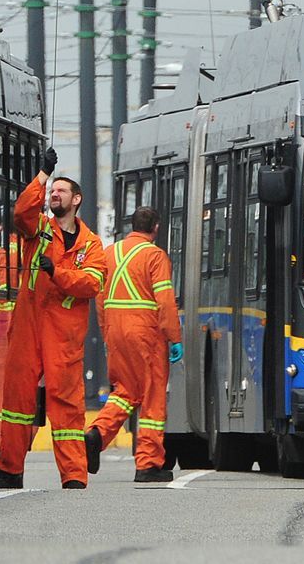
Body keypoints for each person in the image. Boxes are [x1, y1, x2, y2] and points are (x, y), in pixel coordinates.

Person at [0, 147, 108, 489]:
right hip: (29, 327)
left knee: (68, 405)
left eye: (60, 191)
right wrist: (42, 174)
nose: (54, 194)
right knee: (16, 400)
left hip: (64, 335)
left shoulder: (91, 244)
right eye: (52, 191)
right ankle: (9, 470)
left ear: (77, 200)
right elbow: (21, 212)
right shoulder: (39, 229)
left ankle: (74, 475)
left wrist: (57, 273)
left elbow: (93, 282)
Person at [85, 206, 182, 483]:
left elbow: (100, 298)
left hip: (116, 331)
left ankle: (97, 434)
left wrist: (106, 333)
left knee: (125, 391)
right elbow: (164, 300)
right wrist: (174, 337)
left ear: (132, 226)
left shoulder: (109, 253)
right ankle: (148, 464)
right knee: (152, 396)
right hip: (146, 333)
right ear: (156, 228)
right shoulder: (154, 255)